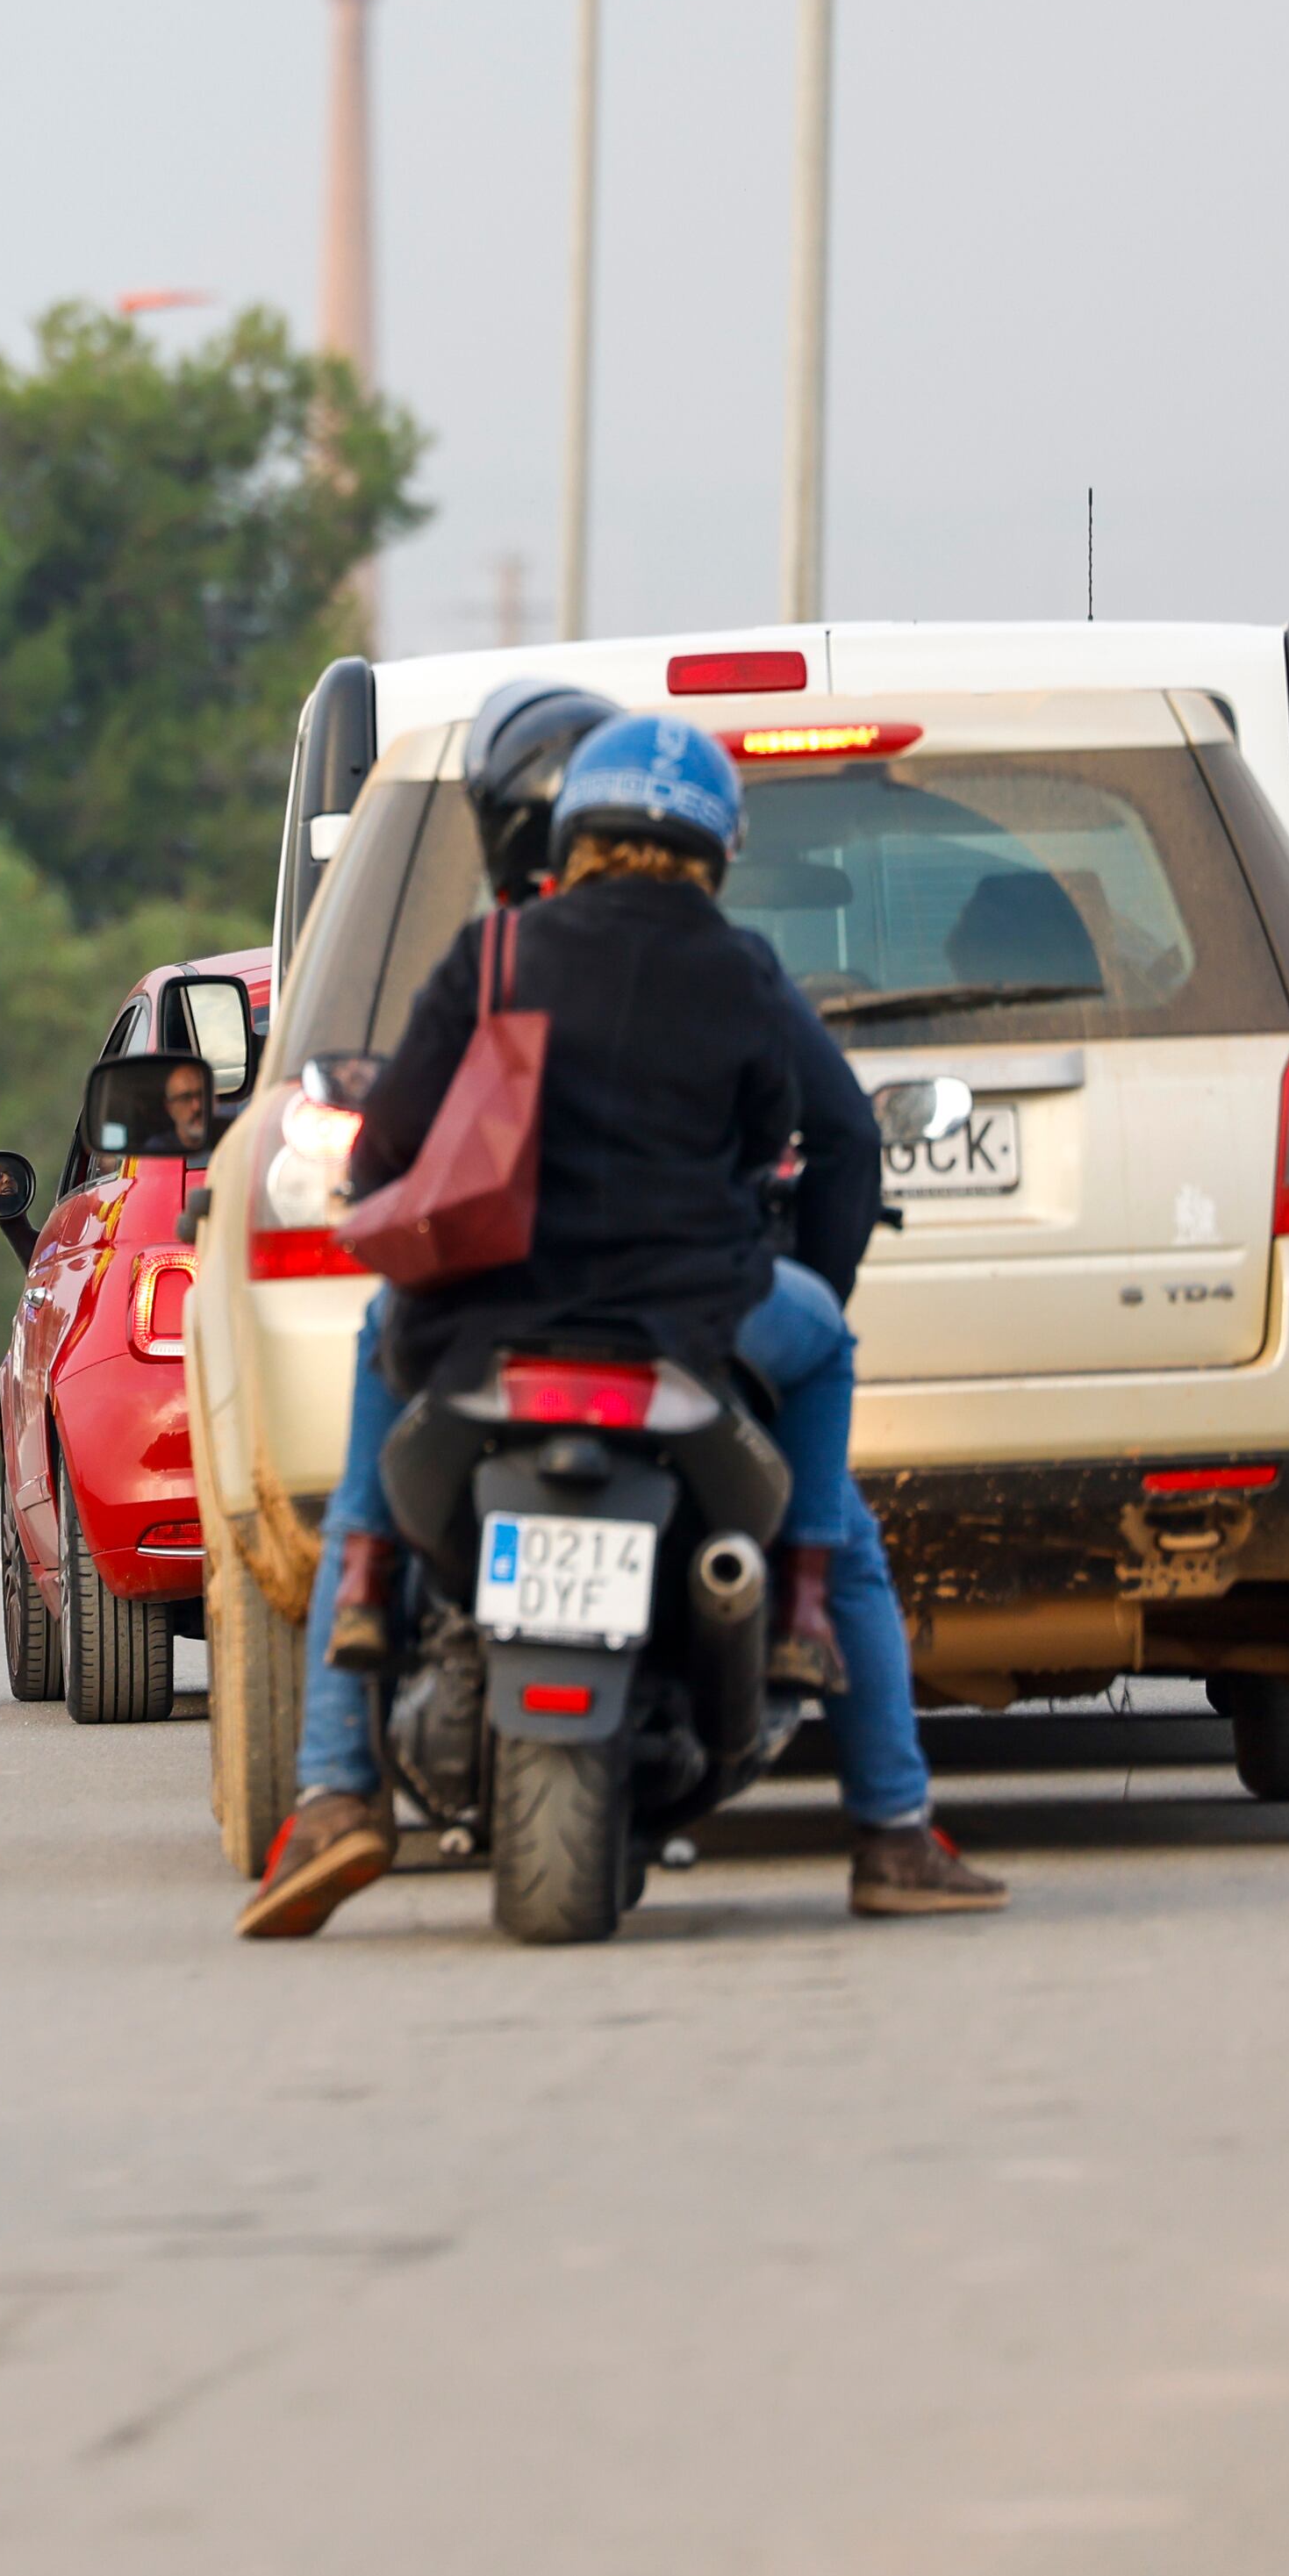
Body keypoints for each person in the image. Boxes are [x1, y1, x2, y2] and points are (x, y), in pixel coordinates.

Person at [238, 711, 1006, 1934]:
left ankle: (336, 1786)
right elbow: (838, 1140)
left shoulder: (495, 956)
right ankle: (880, 1804)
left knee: (373, 1426)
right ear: (718, 849)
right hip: (694, 1323)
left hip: (483, 1320)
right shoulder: (743, 971)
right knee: (832, 1411)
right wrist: (798, 1268)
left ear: (572, 831)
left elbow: (385, 1154)